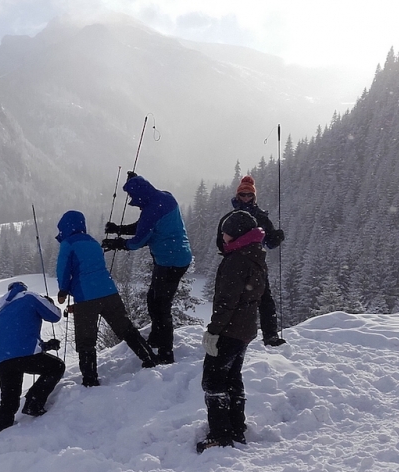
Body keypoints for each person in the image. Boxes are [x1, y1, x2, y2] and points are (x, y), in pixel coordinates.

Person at [55, 210, 157, 386]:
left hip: (86, 297)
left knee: (86, 340)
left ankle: (90, 379)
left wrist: (63, 290)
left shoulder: (67, 244)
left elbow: (63, 270)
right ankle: (149, 357)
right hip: (109, 292)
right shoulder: (93, 242)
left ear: (65, 227)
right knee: (126, 329)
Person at [102, 172, 193, 364]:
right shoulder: (164, 197)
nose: (134, 201)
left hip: (169, 263)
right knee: (154, 300)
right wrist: (119, 229)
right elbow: (142, 225)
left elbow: (137, 241)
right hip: (176, 258)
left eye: (133, 196)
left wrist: (116, 243)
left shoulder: (152, 210)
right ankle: (157, 338)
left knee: (161, 306)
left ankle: (166, 352)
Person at [201, 210, 268, 447]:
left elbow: (226, 301)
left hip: (230, 330)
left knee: (214, 380)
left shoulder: (237, 260)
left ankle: (220, 434)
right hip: (245, 329)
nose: (223, 236)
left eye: (226, 232)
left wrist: (214, 331)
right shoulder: (254, 255)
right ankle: (236, 425)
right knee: (232, 376)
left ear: (238, 234)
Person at [216, 175, 286, 346]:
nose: (246, 198)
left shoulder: (260, 217)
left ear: (254, 196)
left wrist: (276, 237)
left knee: (264, 298)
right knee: (230, 298)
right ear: (237, 196)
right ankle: (224, 333)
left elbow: (269, 243)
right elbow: (220, 242)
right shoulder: (232, 216)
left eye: (249, 195)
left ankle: (270, 335)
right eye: (243, 195)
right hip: (239, 263)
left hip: (255, 262)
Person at [0, 281, 64, 433]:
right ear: (23, 288)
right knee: (56, 367)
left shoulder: (2, 310)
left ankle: (0, 431)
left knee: (9, 399)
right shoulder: (29, 297)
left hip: (2, 360)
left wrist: (45, 346)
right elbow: (55, 315)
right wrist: (49, 302)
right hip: (24, 354)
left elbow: (16, 339)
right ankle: (33, 403)